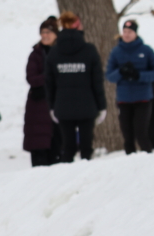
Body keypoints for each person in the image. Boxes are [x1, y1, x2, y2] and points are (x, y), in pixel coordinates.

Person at [45, 11, 107, 162]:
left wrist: (52, 106)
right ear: (78, 26)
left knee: (68, 147)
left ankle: (68, 178)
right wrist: (102, 106)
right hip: (87, 105)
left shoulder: (54, 52)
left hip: (63, 106)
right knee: (86, 147)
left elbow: (49, 82)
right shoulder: (89, 50)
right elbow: (97, 81)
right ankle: (86, 178)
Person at [105, 18, 154, 154]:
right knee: (128, 136)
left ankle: (149, 158)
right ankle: (130, 162)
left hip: (143, 98)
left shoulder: (146, 50)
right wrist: (121, 72)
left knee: (141, 133)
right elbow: (109, 76)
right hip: (124, 99)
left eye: (129, 31)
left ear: (135, 33)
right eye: (124, 31)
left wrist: (138, 75)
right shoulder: (116, 52)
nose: (127, 34)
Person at [24, 16, 62, 167]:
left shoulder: (61, 53)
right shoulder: (36, 54)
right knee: (39, 147)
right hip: (38, 106)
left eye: (49, 32)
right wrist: (50, 76)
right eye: (43, 32)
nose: (45, 35)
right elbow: (31, 78)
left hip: (57, 103)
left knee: (57, 146)